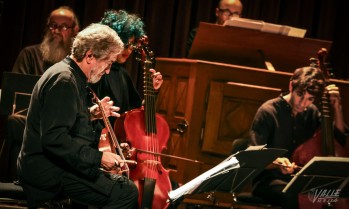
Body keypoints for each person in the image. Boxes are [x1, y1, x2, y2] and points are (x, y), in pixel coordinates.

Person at [17, 23, 138, 209]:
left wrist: (90, 115)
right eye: (108, 63)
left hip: (53, 165)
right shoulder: (64, 80)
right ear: (90, 56)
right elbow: (55, 139)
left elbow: (57, 118)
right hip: (48, 171)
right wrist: (99, 158)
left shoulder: (68, 74)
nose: (107, 71)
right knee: (125, 192)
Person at [249, 66, 348, 209]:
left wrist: (337, 108)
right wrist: (276, 162)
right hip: (270, 180)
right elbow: (253, 155)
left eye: (310, 99)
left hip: (303, 182)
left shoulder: (312, 112)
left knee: (334, 195)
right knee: (292, 196)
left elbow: (338, 141)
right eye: (300, 95)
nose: (303, 103)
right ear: (291, 86)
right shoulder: (268, 111)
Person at [1, 6, 80, 182]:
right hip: (33, 120)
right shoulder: (29, 54)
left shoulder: (79, 61)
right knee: (14, 121)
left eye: (63, 27)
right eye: (53, 26)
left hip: (64, 123)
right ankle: (20, 182)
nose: (57, 31)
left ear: (75, 30)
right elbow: (15, 94)